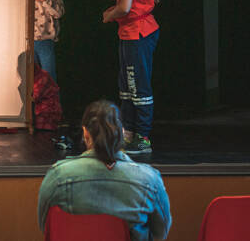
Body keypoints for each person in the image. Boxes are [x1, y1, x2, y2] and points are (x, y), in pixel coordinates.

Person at [38, 100, 172, 241]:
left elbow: (46, 227)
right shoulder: (149, 179)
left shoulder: (57, 177)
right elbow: (160, 233)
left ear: (85, 133)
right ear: (122, 132)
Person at [102, 0, 161, 155]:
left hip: (139, 32)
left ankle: (142, 137)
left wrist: (109, 14)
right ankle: (128, 132)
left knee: (137, 86)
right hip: (131, 32)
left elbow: (125, 7)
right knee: (127, 86)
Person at [34, 0, 64, 83]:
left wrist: (44, 0)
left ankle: (52, 99)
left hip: (46, 42)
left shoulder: (55, 0)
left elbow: (58, 13)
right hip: (31, 42)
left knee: (49, 76)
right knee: (34, 77)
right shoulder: (29, 0)